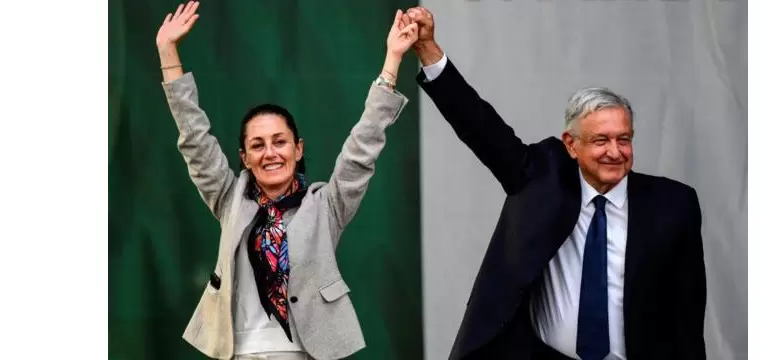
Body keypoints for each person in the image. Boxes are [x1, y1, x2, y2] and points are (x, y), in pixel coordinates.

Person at [404, 7, 707, 360]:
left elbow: (686, 317)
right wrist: (427, 49)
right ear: (570, 144)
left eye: (623, 139)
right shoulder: (542, 177)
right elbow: (479, 125)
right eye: (600, 140)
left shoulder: (674, 206)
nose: (615, 152)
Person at [155, 2, 419, 359]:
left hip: (306, 352)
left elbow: (363, 145)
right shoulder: (230, 198)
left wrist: (392, 60)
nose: (270, 153)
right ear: (244, 157)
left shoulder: (326, 205)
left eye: (279, 142)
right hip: (238, 351)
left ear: (298, 149)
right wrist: (168, 55)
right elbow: (194, 138)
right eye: (257, 145)